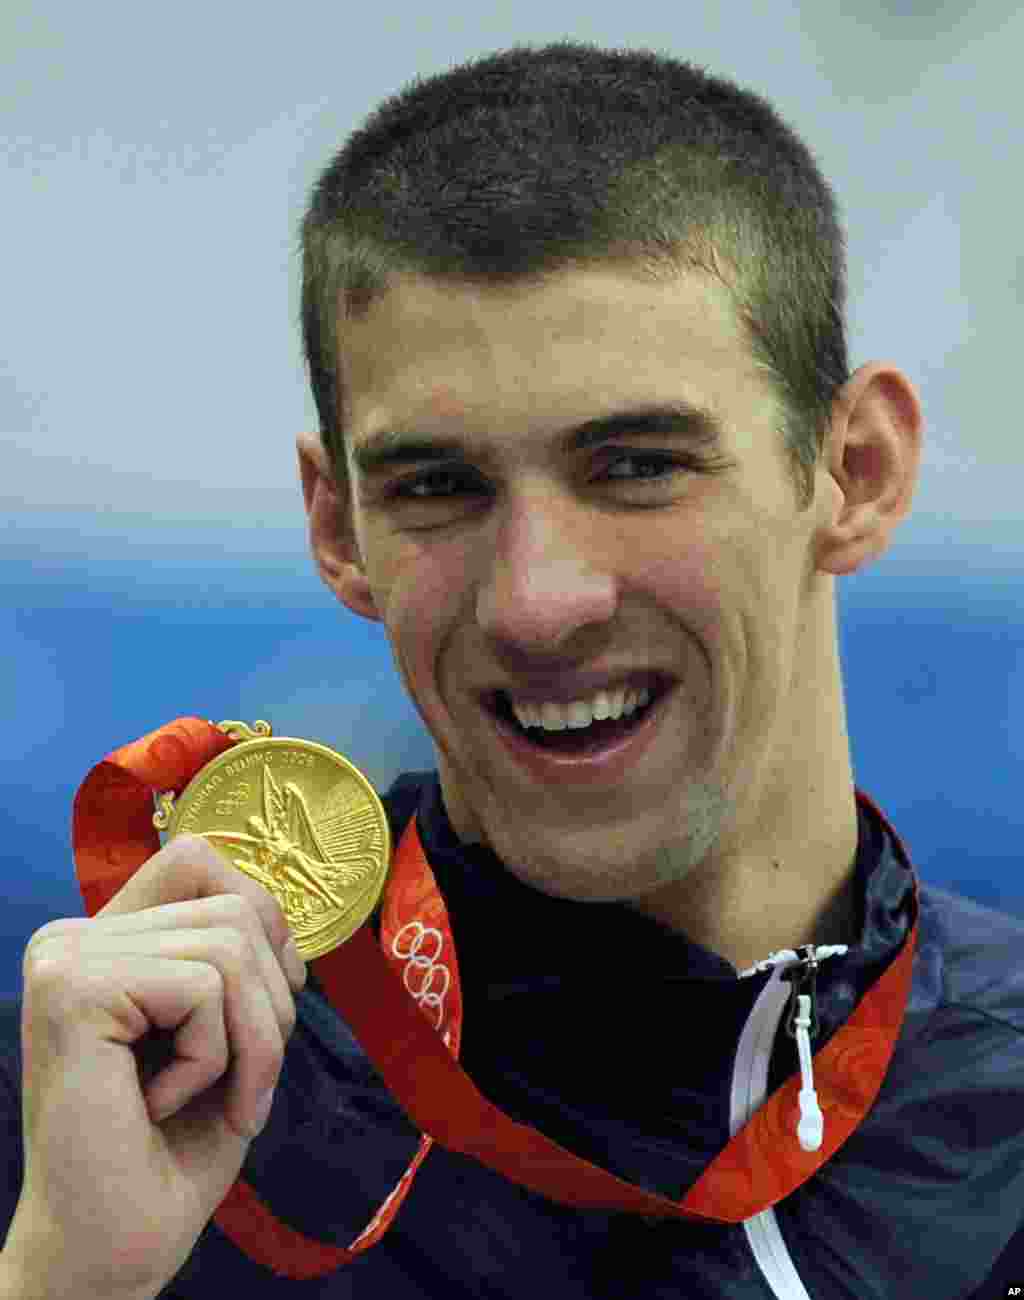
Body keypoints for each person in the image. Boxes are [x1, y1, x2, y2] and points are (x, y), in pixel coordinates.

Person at [2, 39, 1022, 1300]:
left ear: (853, 474)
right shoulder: (116, 1114)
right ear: (338, 529)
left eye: (638, 463)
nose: (538, 602)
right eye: (438, 486)